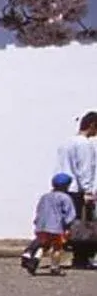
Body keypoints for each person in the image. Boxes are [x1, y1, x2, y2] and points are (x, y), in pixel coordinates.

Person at [60, 114, 97, 266]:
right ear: (92, 125)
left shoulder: (67, 142)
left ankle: (76, 255)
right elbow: (84, 169)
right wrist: (88, 191)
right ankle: (82, 257)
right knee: (85, 225)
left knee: (71, 224)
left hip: (66, 187)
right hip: (78, 189)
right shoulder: (84, 145)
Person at [25, 173, 76, 275]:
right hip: (56, 228)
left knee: (44, 245)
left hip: (42, 227)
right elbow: (70, 214)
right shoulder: (65, 198)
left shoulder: (45, 197)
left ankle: (35, 259)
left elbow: (39, 210)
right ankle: (55, 267)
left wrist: (37, 222)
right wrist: (67, 225)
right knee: (57, 248)